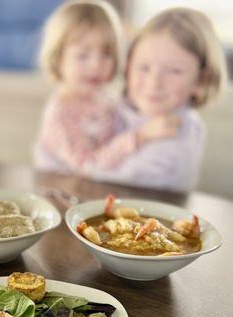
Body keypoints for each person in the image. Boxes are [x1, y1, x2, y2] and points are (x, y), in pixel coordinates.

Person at [92, 7, 228, 192]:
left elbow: (114, 178)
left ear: (201, 80)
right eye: (144, 67)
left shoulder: (180, 129)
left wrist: (138, 137)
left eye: (174, 71)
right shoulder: (120, 107)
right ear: (128, 66)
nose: (153, 82)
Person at [33, 0, 175, 174]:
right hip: (66, 192)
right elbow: (87, 166)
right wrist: (140, 137)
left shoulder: (106, 95)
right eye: (83, 56)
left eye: (106, 54)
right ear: (58, 59)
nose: (96, 65)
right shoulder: (61, 112)